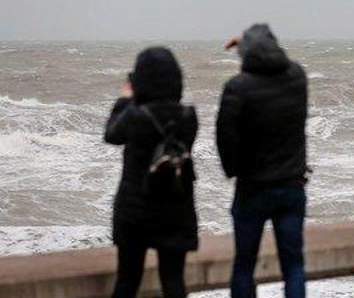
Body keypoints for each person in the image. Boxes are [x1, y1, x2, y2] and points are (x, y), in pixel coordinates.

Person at [216, 24, 309, 298]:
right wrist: (250, 44)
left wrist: (231, 170)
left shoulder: (237, 87)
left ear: (246, 54)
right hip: (292, 186)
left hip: (252, 187)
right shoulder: (298, 77)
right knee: (293, 265)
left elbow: (225, 136)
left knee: (245, 265)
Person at [104, 47, 199, 298]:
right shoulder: (188, 116)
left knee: (128, 280)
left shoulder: (135, 115)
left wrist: (125, 98)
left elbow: (112, 134)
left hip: (136, 211)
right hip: (176, 209)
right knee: (173, 280)